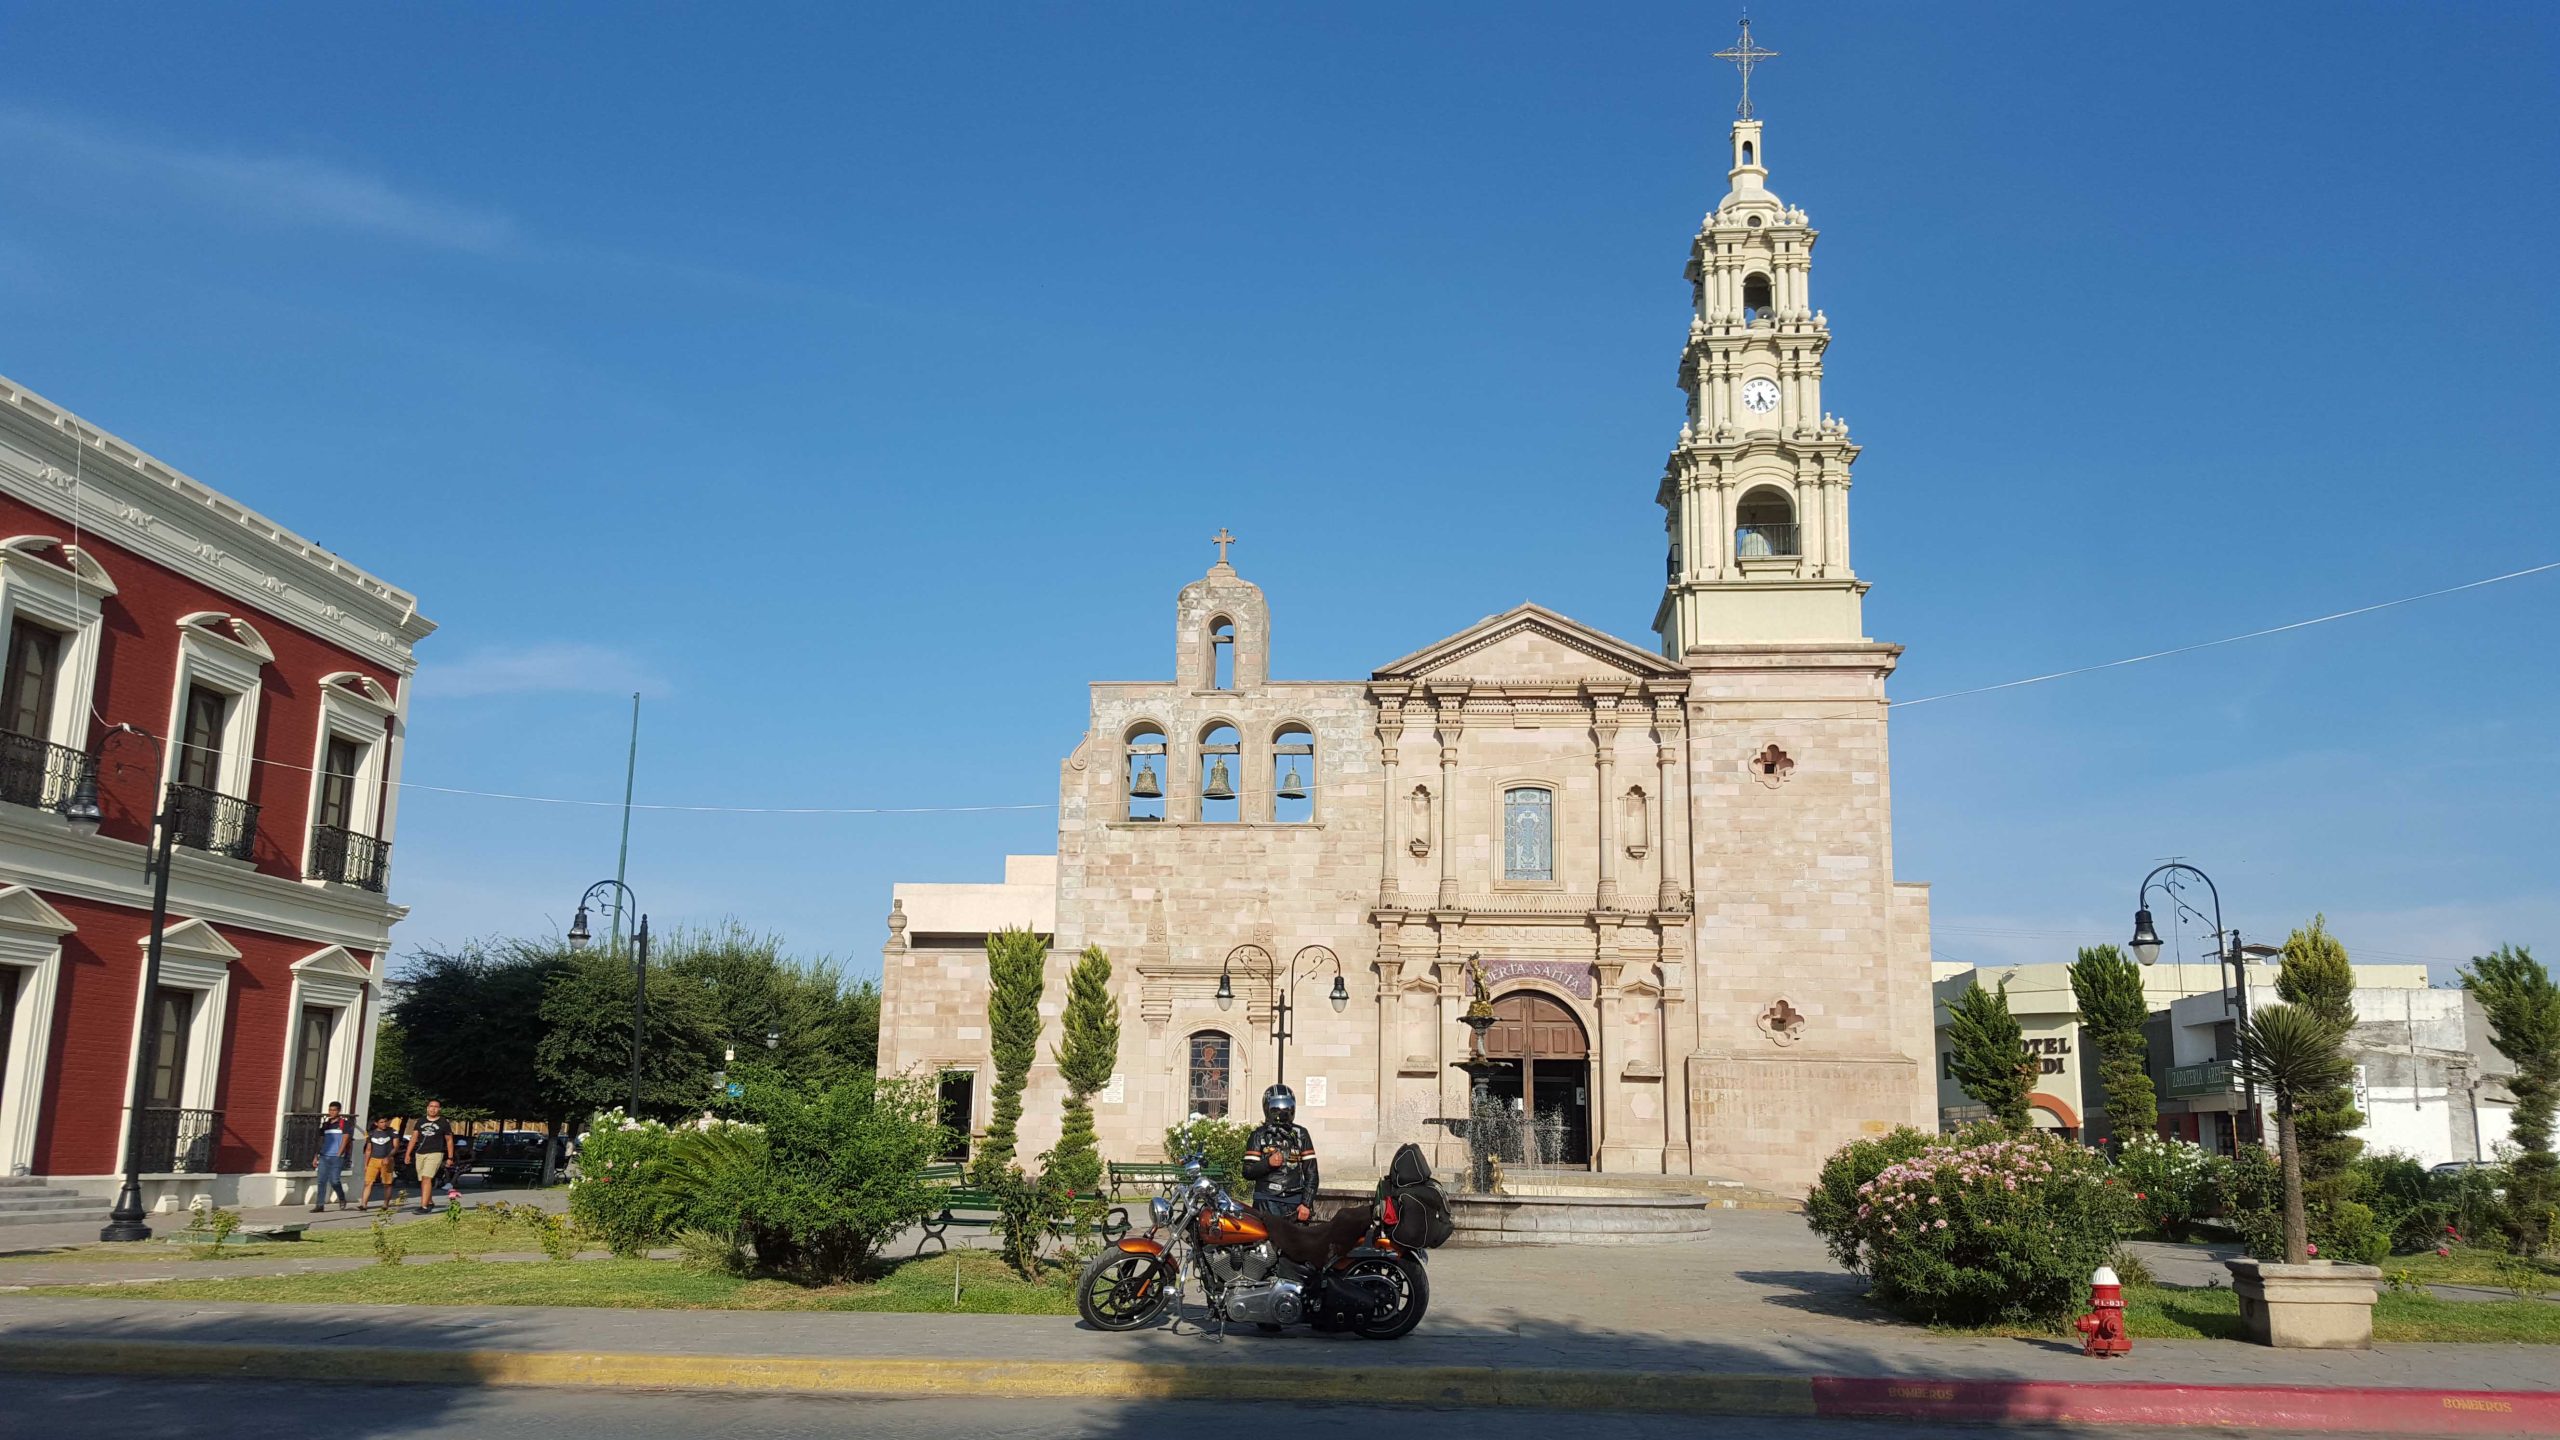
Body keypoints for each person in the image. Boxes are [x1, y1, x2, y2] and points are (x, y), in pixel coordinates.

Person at [1242, 1083, 1319, 1223]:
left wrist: (1306, 1204)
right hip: (1266, 1200)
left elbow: (1312, 1173)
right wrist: (1267, 1163)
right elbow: (1247, 1171)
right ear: (1267, 1107)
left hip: (1294, 1202)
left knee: (1296, 1244)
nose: (1282, 1112)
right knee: (1265, 1243)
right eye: (1277, 1107)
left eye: (1286, 1107)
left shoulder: (1301, 1134)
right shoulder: (1259, 1135)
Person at [407, 1100, 453, 1214]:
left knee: (427, 1178)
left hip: (435, 1152)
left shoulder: (443, 1122)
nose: (433, 1109)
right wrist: (408, 1153)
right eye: (431, 1106)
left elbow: (449, 1140)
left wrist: (450, 1157)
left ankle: (423, 1206)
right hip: (420, 1153)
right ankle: (430, 1201)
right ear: (427, 1108)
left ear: (439, 1109)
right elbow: (414, 1138)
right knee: (423, 1179)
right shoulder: (420, 1121)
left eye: (436, 1107)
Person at [309, 1102, 354, 1212]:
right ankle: (320, 1205)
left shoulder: (344, 1124)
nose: (331, 1112)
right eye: (330, 1110)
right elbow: (320, 1141)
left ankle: (342, 1198)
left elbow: (346, 1138)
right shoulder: (326, 1124)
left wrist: (339, 1153)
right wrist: (316, 1156)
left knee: (334, 1180)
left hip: (337, 1156)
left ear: (339, 1111)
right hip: (324, 1155)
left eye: (334, 1110)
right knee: (321, 1181)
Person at [357, 1115, 401, 1211]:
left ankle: (386, 1204)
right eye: (381, 1122)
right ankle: (363, 1204)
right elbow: (368, 1149)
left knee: (387, 1183)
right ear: (376, 1123)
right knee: (368, 1182)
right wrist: (366, 1163)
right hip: (373, 1160)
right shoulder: (371, 1134)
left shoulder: (392, 1132)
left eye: (385, 1121)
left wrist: (388, 1157)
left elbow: (396, 1146)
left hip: (387, 1160)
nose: (384, 1124)